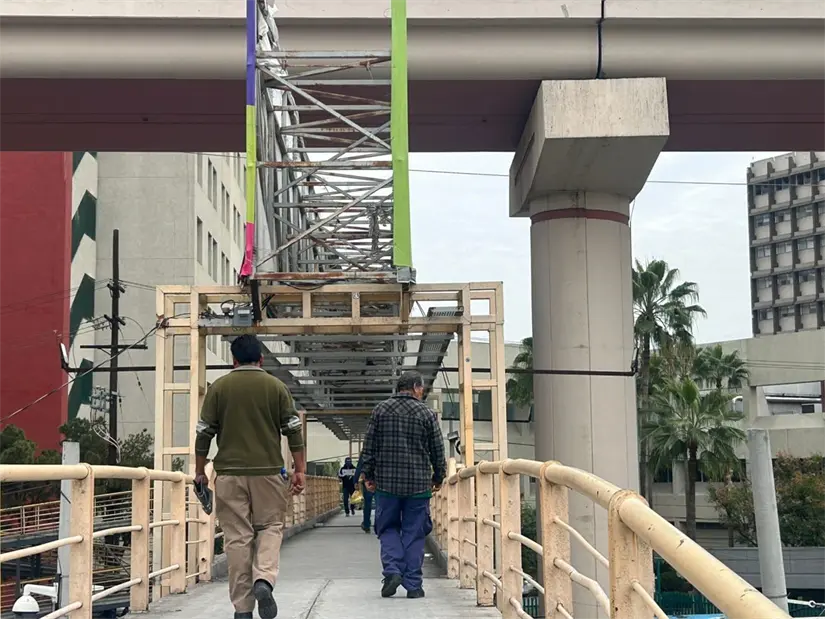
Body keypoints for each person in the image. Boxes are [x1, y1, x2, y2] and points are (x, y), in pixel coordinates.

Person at [194, 334, 306, 619]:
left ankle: (243, 610)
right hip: (268, 472)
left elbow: (203, 434)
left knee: (237, 538)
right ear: (261, 359)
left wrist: (199, 472)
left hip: (229, 474)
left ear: (233, 360)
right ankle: (264, 579)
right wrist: (300, 469)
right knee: (270, 526)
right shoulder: (276, 387)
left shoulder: (219, 388)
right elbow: (294, 430)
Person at [360, 371, 447, 599]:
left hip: (386, 484)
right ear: (417, 388)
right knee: (414, 533)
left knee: (387, 528)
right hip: (418, 486)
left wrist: (368, 476)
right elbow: (438, 450)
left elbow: (369, 447)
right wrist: (438, 477)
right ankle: (414, 585)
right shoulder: (427, 413)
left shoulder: (380, 410)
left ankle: (392, 571)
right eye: (422, 388)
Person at [353, 457, 375, 533]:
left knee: (368, 503)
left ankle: (366, 524)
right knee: (380, 503)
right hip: (380, 480)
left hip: (368, 480)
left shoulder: (366, 452)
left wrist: (355, 481)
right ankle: (380, 524)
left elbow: (359, 467)